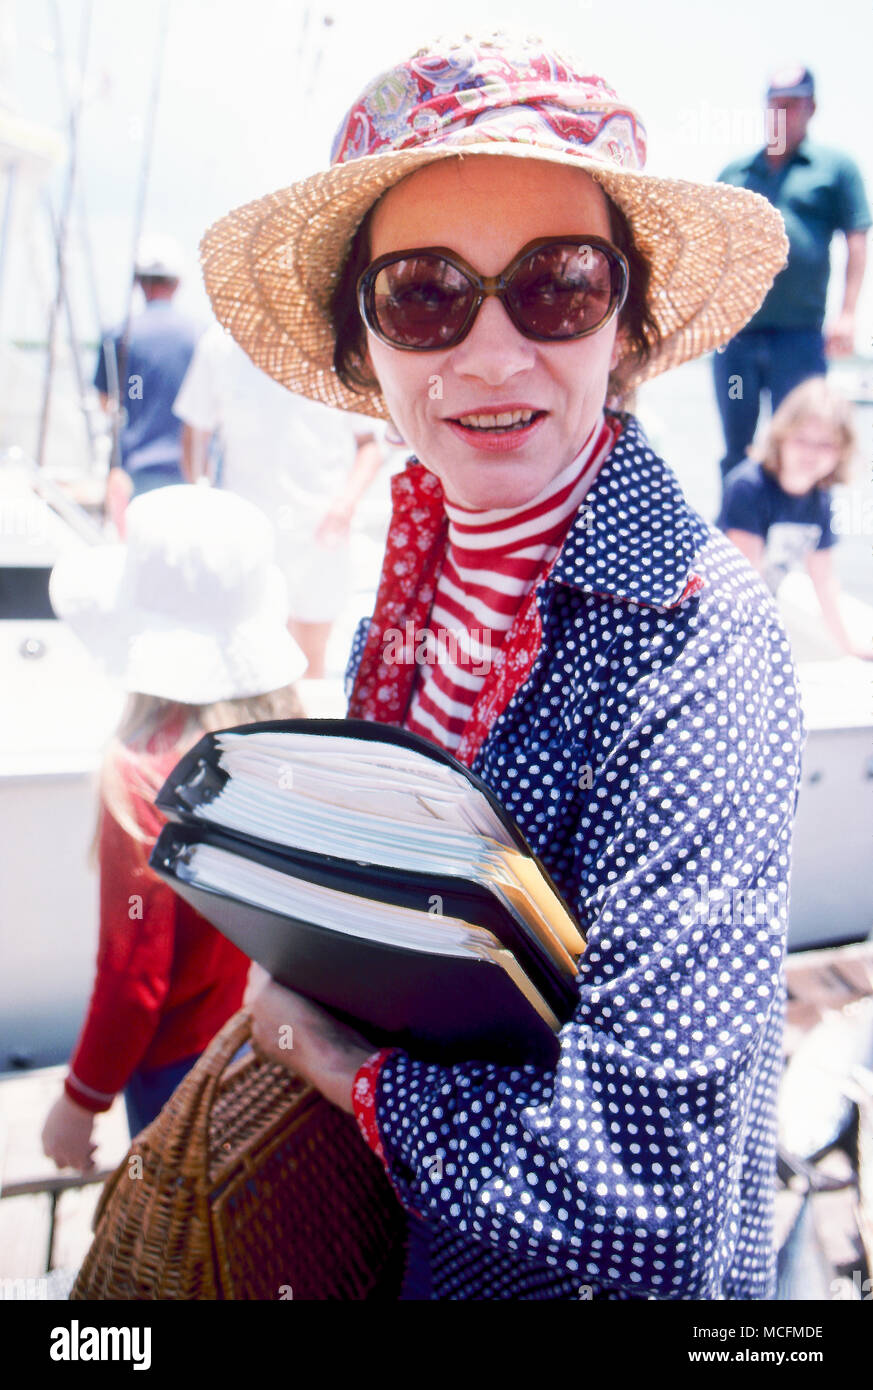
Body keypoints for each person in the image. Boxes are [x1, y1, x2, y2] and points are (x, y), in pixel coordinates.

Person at [201, 34, 804, 1300]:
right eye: (424, 293)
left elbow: (653, 1192)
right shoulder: (398, 618)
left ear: (626, 320)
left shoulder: (696, 640)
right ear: (363, 344)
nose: (485, 354)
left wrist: (344, 1070)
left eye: (558, 286)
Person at [40, 486, 306, 1170]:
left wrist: (78, 1101)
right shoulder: (282, 747)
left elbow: (134, 983)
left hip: (175, 1073)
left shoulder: (140, 777)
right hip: (270, 1045)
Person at [173, 324, 384, 678]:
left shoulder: (338, 345)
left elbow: (370, 445)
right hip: (244, 533)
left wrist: (344, 506)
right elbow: (195, 432)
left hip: (322, 531)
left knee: (309, 660)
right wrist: (201, 501)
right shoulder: (220, 345)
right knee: (248, 656)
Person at [713, 65, 870, 483]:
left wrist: (849, 313)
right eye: (775, 103)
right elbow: (711, 249)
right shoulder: (736, 174)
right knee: (737, 448)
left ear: (811, 108)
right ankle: (734, 539)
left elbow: (857, 238)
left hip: (800, 338)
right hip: (737, 339)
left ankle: (798, 543)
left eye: (793, 103)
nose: (782, 112)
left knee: (804, 447)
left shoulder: (835, 169)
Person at [718, 376, 870, 659]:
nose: (811, 453)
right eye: (801, 439)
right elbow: (745, 578)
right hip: (723, 614)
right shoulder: (748, 486)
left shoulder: (820, 498)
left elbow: (823, 580)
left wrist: (849, 647)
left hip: (759, 615)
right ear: (781, 437)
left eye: (825, 444)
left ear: (842, 450)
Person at [94, 236, 201, 529]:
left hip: (135, 471)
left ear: (139, 284)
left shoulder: (119, 335)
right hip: (191, 472)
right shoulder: (200, 336)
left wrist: (137, 393)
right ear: (178, 284)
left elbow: (106, 404)